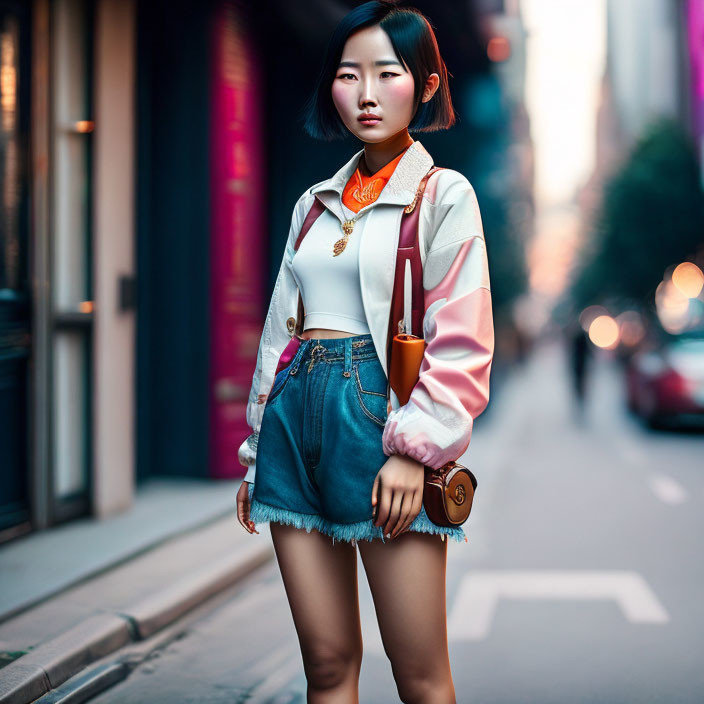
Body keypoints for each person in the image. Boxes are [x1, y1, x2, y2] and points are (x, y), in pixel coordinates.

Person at [234, 3, 494, 702]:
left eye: (389, 72)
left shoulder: (443, 197)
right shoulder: (312, 205)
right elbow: (278, 336)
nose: (368, 93)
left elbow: (463, 339)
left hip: (381, 425)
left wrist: (417, 450)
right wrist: (257, 451)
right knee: (326, 669)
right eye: (350, 76)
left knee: (420, 678)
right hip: (293, 429)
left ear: (428, 85)